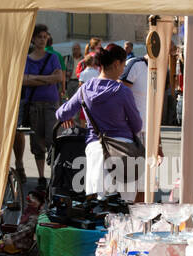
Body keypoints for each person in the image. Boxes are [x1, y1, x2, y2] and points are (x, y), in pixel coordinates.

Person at [56, 42, 143, 199]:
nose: (123, 70)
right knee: (124, 210)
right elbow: (137, 125)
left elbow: (61, 113)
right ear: (116, 63)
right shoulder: (122, 91)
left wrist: (66, 117)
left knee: (97, 209)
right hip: (123, 152)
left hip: (96, 150)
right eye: (123, 65)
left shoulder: (85, 89)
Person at [15, 23, 65, 189]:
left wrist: (35, 79)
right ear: (33, 39)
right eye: (39, 37)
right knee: (37, 143)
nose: (43, 40)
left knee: (52, 139)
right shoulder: (27, 59)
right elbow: (22, 80)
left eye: (45, 37)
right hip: (33, 105)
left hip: (51, 104)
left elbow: (58, 77)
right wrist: (46, 79)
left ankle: (54, 175)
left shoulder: (53, 58)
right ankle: (41, 176)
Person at [121, 45, 148, 129]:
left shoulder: (161, 69)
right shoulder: (136, 64)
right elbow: (122, 93)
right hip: (133, 128)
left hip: (150, 129)